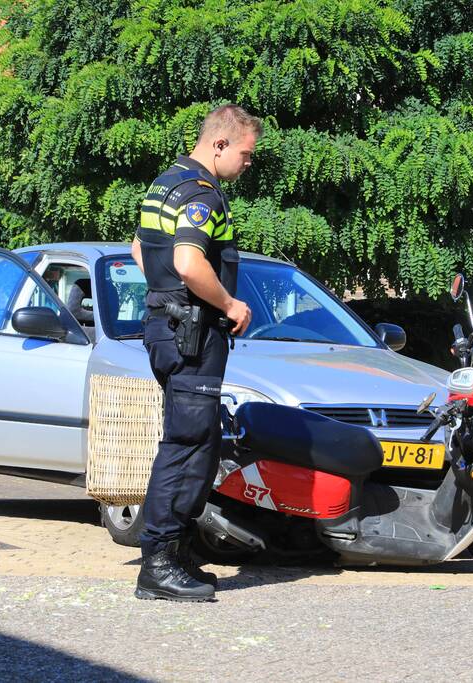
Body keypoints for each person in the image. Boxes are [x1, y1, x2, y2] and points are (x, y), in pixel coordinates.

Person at [130, 104, 260, 602]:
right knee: (187, 444)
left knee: (197, 442)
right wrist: (227, 302)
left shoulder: (165, 183)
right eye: (245, 154)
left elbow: (142, 250)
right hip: (192, 336)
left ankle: (176, 554)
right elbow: (187, 260)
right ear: (220, 144)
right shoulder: (202, 194)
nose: (247, 164)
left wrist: (164, 301)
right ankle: (159, 563)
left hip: (168, 330)